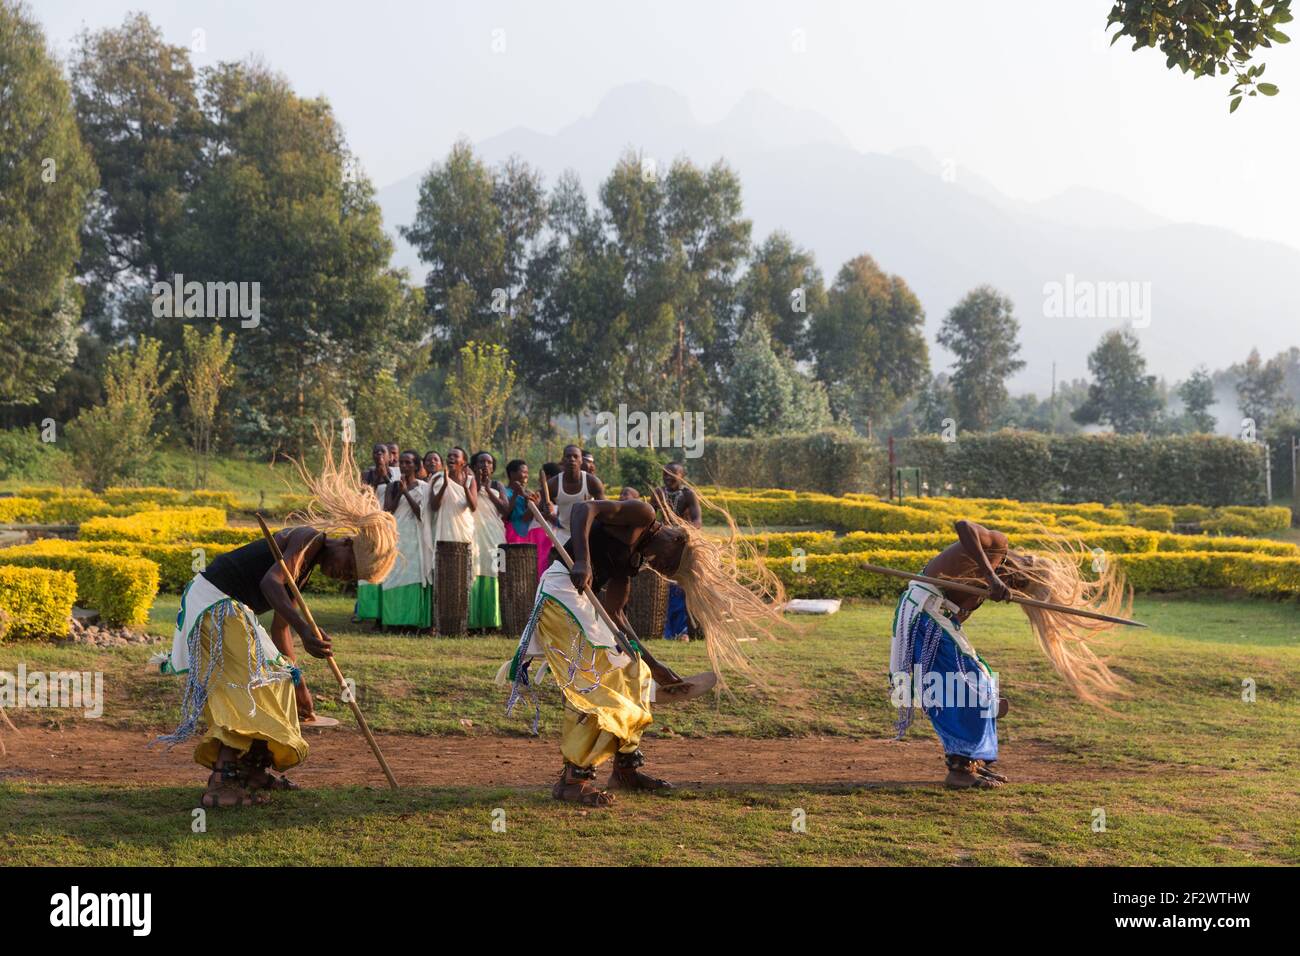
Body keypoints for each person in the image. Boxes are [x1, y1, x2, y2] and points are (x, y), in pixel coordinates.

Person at [505, 489, 786, 807]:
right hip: (561, 593)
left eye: (666, 571)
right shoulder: (643, 514)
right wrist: (582, 561)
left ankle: (624, 769)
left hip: (583, 603)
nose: (659, 566)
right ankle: (573, 780)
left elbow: (615, 615)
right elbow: (585, 509)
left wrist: (654, 664)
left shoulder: (634, 562)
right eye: (668, 563)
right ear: (676, 539)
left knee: (634, 673)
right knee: (596, 683)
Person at [156, 440, 398, 807]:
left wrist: (299, 680)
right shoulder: (310, 538)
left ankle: (255, 767)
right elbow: (271, 584)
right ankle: (221, 782)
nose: (340, 575)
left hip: (230, 610)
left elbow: (279, 629)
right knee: (246, 687)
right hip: (214, 602)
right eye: (347, 567)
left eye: (349, 577)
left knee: (277, 679)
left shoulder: (305, 570)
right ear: (346, 543)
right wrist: (308, 630)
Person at [892, 520, 1128, 790]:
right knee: (973, 685)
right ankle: (960, 769)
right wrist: (991, 578)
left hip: (933, 616)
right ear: (1019, 568)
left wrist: (977, 598)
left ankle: (974, 762)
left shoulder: (984, 584)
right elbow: (963, 526)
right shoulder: (996, 545)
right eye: (1018, 582)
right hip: (924, 613)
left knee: (981, 682)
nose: (1012, 587)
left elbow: (956, 612)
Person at [368, 450, 432, 629]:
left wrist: (406, 492)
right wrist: (399, 490)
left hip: (414, 537)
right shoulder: (392, 486)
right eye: (402, 463)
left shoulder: (423, 487)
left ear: (416, 466)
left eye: (408, 463)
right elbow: (388, 510)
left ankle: (412, 622)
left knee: (413, 575)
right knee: (394, 575)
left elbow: (421, 514)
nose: (404, 466)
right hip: (396, 534)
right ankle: (394, 620)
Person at [423, 446, 477, 623]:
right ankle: (441, 619)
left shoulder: (470, 479)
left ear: (464, 462)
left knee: (463, 576)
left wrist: (464, 487)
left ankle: (461, 620)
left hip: (463, 532)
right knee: (444, 576)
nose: (451, 458)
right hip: (444, 533)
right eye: (449, 456)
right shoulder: (439, 478)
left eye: (455, 456)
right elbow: (433, 506)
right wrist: (445, 485)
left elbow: (473, 506)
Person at [653, 462, 702, 641]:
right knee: (662, 588)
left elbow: (697, 521)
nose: (667, 477)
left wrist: (683, 532)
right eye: (664, 473)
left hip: (681, 542)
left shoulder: (688, 494)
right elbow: (650, 515)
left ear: (682, 476)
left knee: (679, 587)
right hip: (661, 542)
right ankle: (666, 631)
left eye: (672, 474)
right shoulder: (659, 493)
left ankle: (681, 631)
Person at [469, 451, 507, 631]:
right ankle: (474, 622)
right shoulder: (469, 484)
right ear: (474, 465)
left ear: (493, 467)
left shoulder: (497, 485)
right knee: (474, 572)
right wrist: (477, 484)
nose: (485, 465)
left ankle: (493, 622)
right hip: (475, 535)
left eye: (489, 462)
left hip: (495, 535)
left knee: (496, 572)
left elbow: (505, 509)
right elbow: (470, 503)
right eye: (481, 462)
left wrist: (488, 490)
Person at [501, 459, 554, 580]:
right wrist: (518, 494)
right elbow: (508, 514)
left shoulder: (529, 493)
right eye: (523, 472)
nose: (526, 475)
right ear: (512, 474)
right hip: (511, 534)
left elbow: (533, 516)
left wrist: (537, 503)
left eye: (527, 472)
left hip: (528, 536)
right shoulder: (504, 492)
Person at [547, 444, 605, 545]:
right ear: (563, 460)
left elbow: (604, 511)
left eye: (575, 456)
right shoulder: (552, 484)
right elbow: (542, 509)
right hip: (563, 535)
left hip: (588, 534)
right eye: (568, 456)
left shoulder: (592, 482)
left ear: (581, 460)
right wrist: (549, 513)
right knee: (560, 562)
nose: (572, 459)